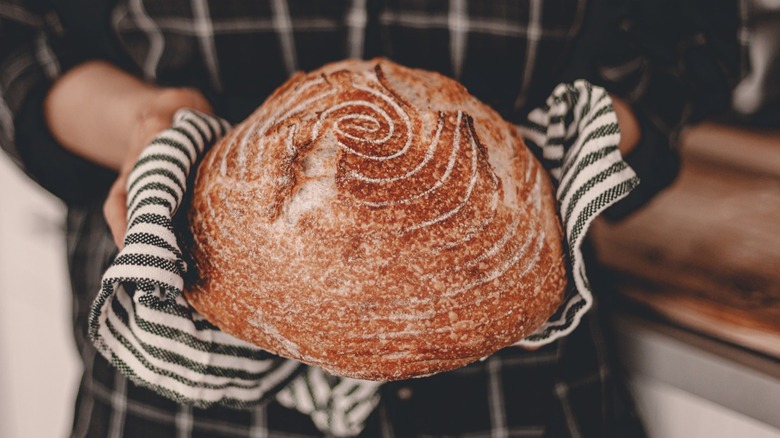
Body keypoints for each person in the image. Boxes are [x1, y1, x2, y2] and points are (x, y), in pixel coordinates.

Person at [1, 0, 743, 436]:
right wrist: (144, 121)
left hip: (522, 403)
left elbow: (690, 37)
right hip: (176, 411)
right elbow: (19, 37)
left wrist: (575, 147)